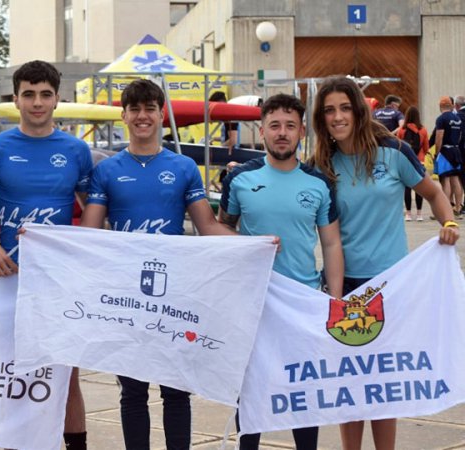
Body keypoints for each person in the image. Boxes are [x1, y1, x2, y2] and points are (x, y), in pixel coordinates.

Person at [81, 79, 238, 450]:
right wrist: (42, 239)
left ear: (161, 114)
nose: (142, 116)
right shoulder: (107, 170)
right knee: (133, 392)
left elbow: (207, 226)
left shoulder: (183, 167)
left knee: (176, 391)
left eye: (150, 108)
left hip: (174, 293)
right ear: (124, 116)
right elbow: (88, 233)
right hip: (125, 295)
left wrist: (256, 244)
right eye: (134, 109)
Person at [310, 76, 459, 450]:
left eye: (345, 108)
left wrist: (449, 223)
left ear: (359, 111)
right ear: (321, 118)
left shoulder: (393, 152)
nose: (338, 117)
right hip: (344, 287)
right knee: (349, 384)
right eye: (329, 110)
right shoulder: (320, 165)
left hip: (392, 287)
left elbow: (434, 193)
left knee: (381, 383)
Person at [0, 60, 91, 450]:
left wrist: (86, 255)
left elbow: (94, 211)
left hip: (60, 279)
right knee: (12, 370)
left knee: (66, 372)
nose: (36, 102)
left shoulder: (77, 150)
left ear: (57, 99)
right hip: (11, 277)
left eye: (44, 95)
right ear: (16, 98)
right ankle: (15, 442)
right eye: (29, 94)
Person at [219, 93, 343, 450]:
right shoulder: (240, 179)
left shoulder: (319, 183)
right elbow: (221, 229)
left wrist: (334, 302)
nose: (282, 133)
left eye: (290, 126)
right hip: (253, 301)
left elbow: (332, 243)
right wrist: (249, 246)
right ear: (262, 131)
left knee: (303, 389)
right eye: (274, 125)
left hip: (302, 302)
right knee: (251, 388)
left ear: (302, 131)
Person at [396, 106, 430, 221]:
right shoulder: (423, 130)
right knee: (419, 187)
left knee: (407, 188)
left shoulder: (401, 130)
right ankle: (419, 214)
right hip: (419, 161)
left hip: (405, 161)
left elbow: (399, 146)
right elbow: (426, 147)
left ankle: (408, 214)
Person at [433, 96, 463, 217]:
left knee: (445, 180)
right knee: (455, 179)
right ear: (451, 105)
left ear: (440, 106)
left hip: (445, 151)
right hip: (456, 150)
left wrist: (437, 152)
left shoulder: (441, 119)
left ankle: (446, 209)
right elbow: (460, 136)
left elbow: (439, 136)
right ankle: (458, 208)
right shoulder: (457, 118)